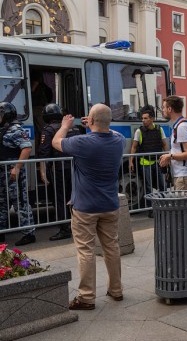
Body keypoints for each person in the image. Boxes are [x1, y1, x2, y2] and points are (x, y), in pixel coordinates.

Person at [52, 103, 126, 310]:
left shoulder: (82, 142)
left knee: (86, 250)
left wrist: (65, 125)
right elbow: (107, 130)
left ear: (91, 121)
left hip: (85, 207)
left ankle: (86, 297)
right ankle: (116, 289)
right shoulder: (119, 141)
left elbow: (56, 142)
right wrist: (95, 124)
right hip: (110, 205)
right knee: (112, 247)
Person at [38, 103, 82, 241]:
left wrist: (42, 171)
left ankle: (64, 229)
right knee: (73, 197)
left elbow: (44, 153)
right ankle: (78, 226)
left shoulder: (48, 130)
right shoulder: (74, 127)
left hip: (59, 169)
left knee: (60, 199)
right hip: (75, 167)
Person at [0, 102, 36, 246]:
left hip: (14, 174)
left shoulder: (15, 130)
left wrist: (17, 167)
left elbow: (26, 148)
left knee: (20, 202)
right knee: (2, 203)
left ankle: (29, 233)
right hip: (3, 174)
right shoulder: (3, 129)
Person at [129, 105, 168, 214]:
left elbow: (165, 144)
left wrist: (167, 158)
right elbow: (134, 147)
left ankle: (163, 206)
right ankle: (151, 209)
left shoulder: (159, 129)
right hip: (145, 163)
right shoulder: (139, 131)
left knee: (162, 185)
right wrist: (131, 161)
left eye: (145, 118)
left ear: (152, 119)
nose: (143, 120)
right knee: (148, 187)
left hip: (159, 162)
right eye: (142, 118)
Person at [158, 96, 187, 190]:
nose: (163, 110)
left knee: (183, 205)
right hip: (182, 175)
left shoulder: (182, 127)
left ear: (170, 109)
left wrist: (170, 156)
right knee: (182, 204)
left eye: (164, 107)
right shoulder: (178, 125)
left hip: (185, 176)